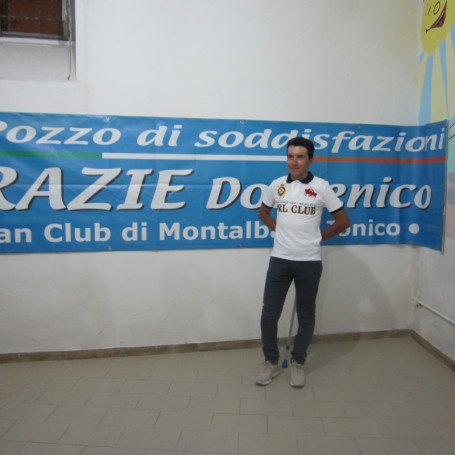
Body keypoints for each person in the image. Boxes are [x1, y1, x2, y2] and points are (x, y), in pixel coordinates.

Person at [256, 136, 350, 388]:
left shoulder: (321, 187)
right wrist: (278, 231)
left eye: (300, 157)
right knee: (269, 313)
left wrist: (318, 238)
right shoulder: (277, 185)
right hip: (280, 260)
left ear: (310, 160)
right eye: (290, 156)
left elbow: (343, 222)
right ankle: (271, 362)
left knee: (306, 314)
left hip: (308, 262)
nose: (294, 162)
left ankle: (298, 362)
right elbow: (263, 212)